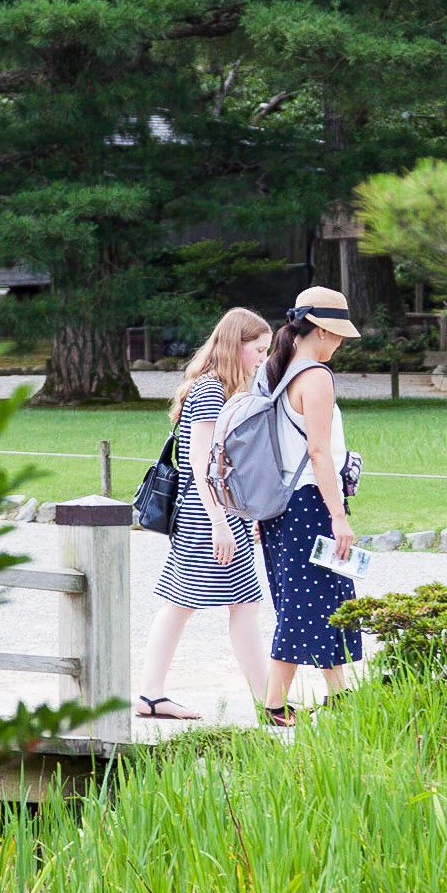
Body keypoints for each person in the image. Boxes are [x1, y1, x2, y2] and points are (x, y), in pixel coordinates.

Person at [136, 308, 272, 720]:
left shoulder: (217, 387)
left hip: (215, 510)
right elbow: (200, 462)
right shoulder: (212, 390)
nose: (262, 358)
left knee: (200, 602)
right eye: (258, 349)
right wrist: (220, 523)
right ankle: (269, 702)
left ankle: (152, 695)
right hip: (208, 511)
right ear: (236, 345)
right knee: (224, 603)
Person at [258, 287, 363, 727]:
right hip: (310, 502)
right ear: (320, 330)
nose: (339, 343)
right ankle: (274, 704)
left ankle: (339, 694)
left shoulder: (274, 369)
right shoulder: (316, 376)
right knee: (305, 602)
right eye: (337, 335)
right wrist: (338, 516)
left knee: (322, 596)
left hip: (279, 503)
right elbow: (319, 452)